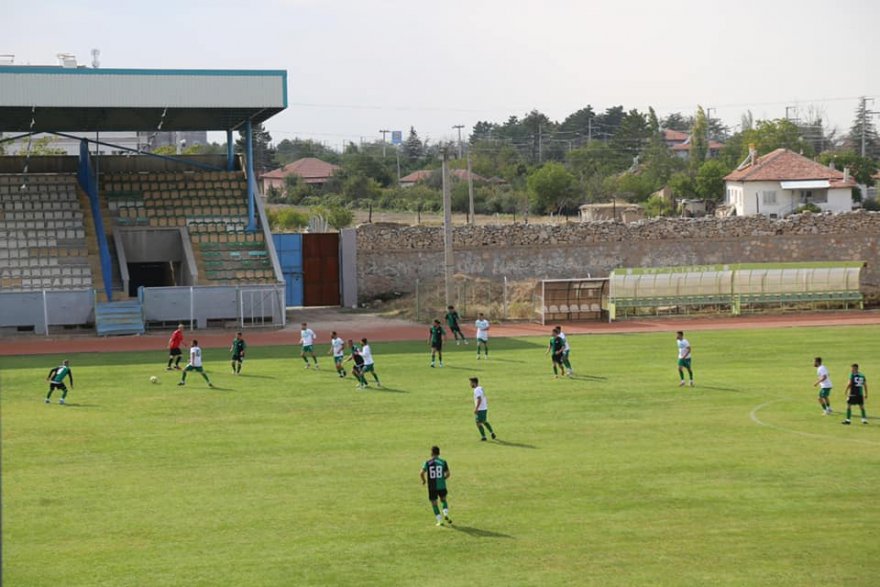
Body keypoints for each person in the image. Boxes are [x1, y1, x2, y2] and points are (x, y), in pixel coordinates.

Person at [420, 446, 452, 526]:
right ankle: (445, 513)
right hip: (442, 486)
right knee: (443, 500)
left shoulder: (427, 462)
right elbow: (448, 474)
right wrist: (443, 478)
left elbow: (421, 473)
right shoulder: (443, 462)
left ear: (431, 453)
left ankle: (439, 521)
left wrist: (424, 480)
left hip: (432, 487)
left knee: (434, 503)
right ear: (439, 453)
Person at [470, 377, 497, 441]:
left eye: (471, 383)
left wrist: (476, 408)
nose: (470, 384)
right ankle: (492, 433)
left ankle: (484, 437)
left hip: (480, 409)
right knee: (484, 421)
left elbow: (479, 399)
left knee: (478, 423)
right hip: (484, 407)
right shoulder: (481, 388)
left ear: (474, 383)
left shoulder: (476, 390)